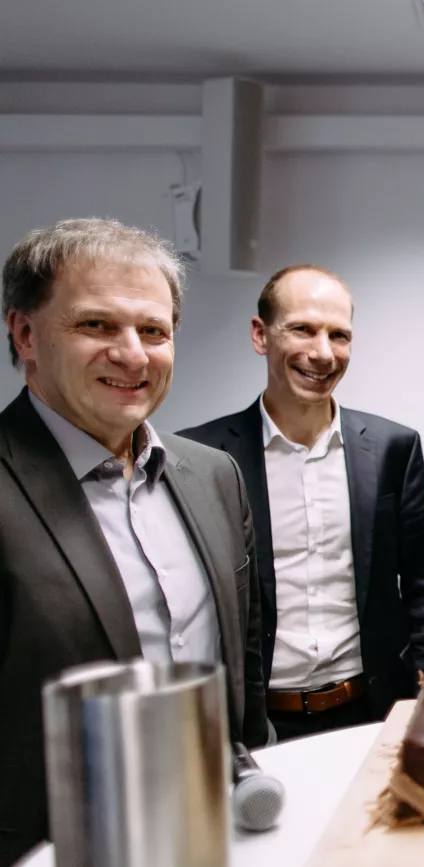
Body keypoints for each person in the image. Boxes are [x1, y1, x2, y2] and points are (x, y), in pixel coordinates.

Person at [0, 218, 267, 865]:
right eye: (97, 325)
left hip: (213, 836)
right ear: (25, 332)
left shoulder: (213, 475)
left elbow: (244, 666)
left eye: (154, 330)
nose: (133, 353)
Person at [178, 265, 424, 740]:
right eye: (303, 330)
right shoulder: (202, 459)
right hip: (257, 724)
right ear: (260, 335)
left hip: (374, 710)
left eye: (339, 335)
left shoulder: (393, 447)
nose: (323, 353)